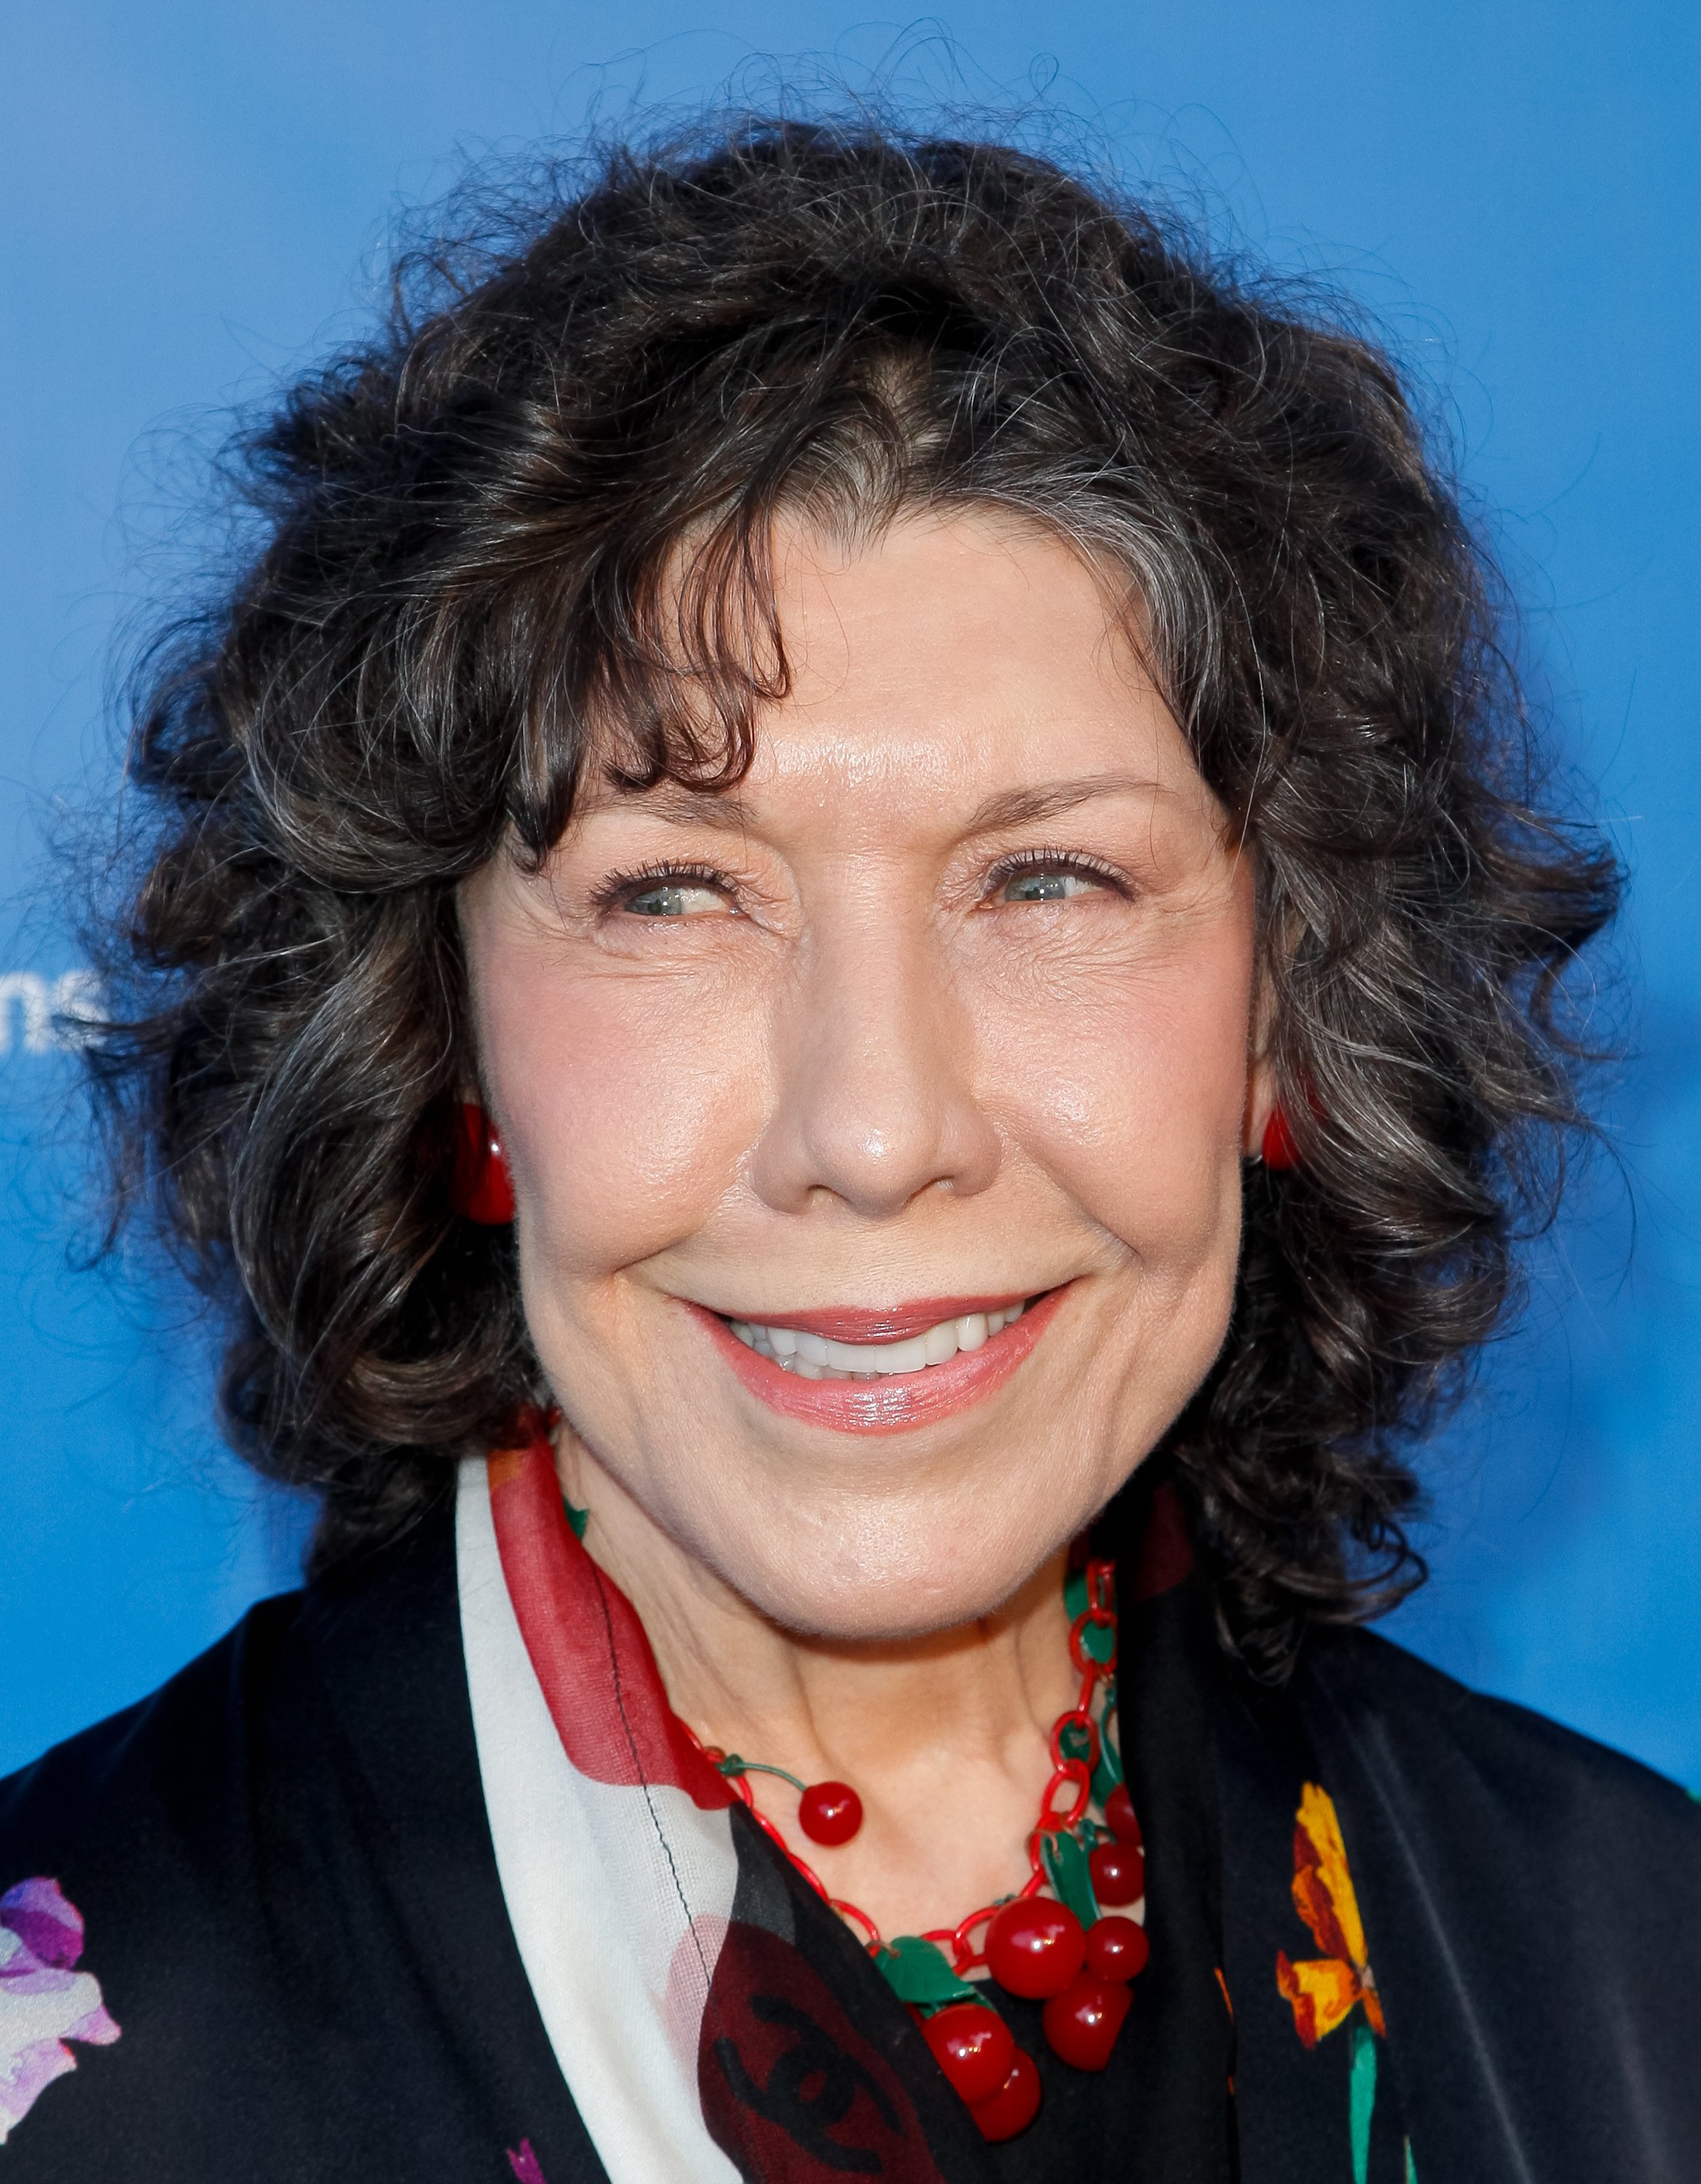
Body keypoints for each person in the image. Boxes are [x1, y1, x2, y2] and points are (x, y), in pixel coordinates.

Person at [1, 117, 1694, 2184]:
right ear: (443, 1048)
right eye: (674, 894)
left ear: (1290, 1025)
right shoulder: (84, 2074)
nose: (875, 1133)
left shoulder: (1626, 1973)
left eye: (1052, 882)